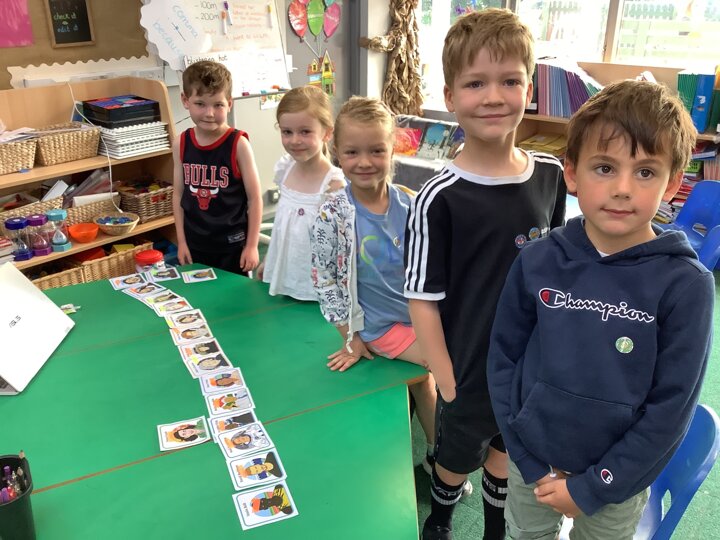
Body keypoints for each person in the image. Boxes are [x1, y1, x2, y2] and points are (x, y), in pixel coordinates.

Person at [487, 80, 714, 540]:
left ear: (673, 183)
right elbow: (503, 361)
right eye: (605, 167)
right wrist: (526, 459)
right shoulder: (537, 259)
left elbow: (671, 408)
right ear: (572, 174)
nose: (623, 189)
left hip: (620, 479)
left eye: (645, 172)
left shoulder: (687, 285)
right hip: (534, 462)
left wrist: (597, 485)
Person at [403, 10, 566, 540]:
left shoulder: (551, 175)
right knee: (455, 458)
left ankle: (495, 526)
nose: (494, 97)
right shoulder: (438, 197)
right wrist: (445, 377)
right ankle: (441, 519)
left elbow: (559, 265)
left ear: (529, 90)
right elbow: (422, 297)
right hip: (468, 368)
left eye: (510, 81)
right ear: (450, 97)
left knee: (506, 449)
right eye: (476, 84)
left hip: (529, 364)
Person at [311, 96, 438, 474]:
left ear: (393, 149)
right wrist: (351, 337)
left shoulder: (410, 205)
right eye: (352, 152)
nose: (364, 162)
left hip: (420, 316)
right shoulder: (332, 215)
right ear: (336, 151)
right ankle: (442, 457)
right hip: (379, 325)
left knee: (433, 377)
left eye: (376, 150)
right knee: (435, 368)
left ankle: (437, 453)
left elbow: (430, 266)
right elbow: (325, 281)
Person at [172, 60, 262, 275]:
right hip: (195, 243)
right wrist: (181, 242)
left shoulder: (239, 144)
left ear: (229, 104)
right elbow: (178, 195)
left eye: (218, 105)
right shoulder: (181, 143)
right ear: (185, 101)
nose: (209, 113)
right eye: (200, 103)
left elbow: (255, 198)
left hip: (232, 245)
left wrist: (251, 246)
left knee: (232, 294)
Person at [259, 86, 345, 300]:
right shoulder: (284, 169)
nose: (295, 140)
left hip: (317, 290)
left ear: (327, 133)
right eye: (287, 132)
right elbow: (282, 227)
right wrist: (268, 261)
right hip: (284, 280)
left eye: (305, 132)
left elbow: (341, 244)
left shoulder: (333, 184)